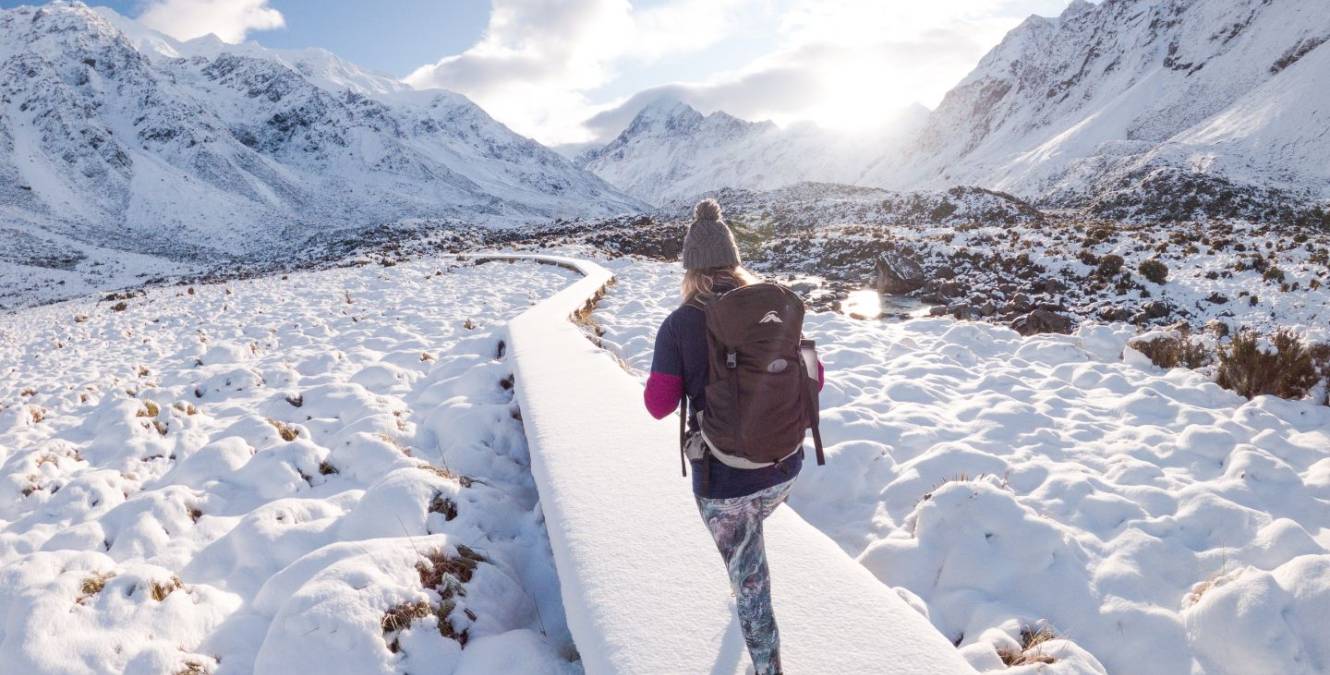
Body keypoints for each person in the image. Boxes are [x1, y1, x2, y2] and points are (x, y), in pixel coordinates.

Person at [643, 198, 823, 675]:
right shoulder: (771, 309)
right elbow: (815, 378)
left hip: (725, 480)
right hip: (785, 464)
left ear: (690, 270)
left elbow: (658, 405)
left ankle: (769, 668)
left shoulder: (679, 324)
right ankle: (743, 562)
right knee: (750, 536)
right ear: (734, 261)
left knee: (751, 585)